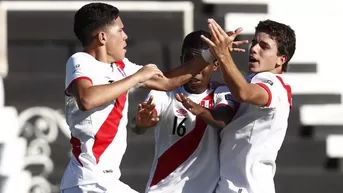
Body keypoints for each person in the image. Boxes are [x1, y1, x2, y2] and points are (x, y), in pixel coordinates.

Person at [60, 2, 220, 193]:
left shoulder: (121, 67)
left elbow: (167, 82)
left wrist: (211, 54)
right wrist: (136, 77)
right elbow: (87, 99)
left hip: (105, 181)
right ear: (102, 37)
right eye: (120, 31)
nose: (125, 36)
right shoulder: (80, 60)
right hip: (87, 181)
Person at [177, 19, 296, 193]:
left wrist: (223, 55)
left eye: (264, 46)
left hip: (248, 188)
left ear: (281, 59)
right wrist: (218, 56)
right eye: (254, 43)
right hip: (230, 185)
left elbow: (244, 93)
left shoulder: (274, 85)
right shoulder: (251, 80)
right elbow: (233, 88)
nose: (254, 49)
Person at [130, 30, 247, 193]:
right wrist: (141, 124)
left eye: (202, 63)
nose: (196, 70)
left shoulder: (222, 92)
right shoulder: (164, 92)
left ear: (215, 64)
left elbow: (221, 120)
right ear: (182, 61)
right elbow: (138, 126)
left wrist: (200, 110)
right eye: (190, 61)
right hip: (164, 188)